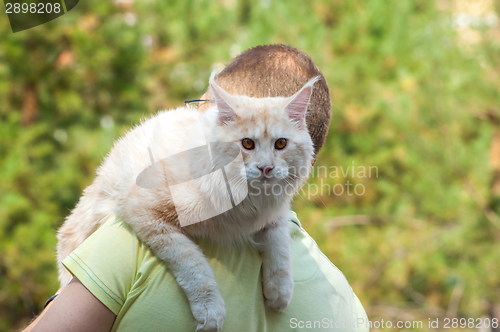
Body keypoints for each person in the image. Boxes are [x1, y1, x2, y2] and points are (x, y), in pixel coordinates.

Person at [24, 45, 369, 332]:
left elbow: (141, 208)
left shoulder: (128, 244)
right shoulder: (348, 306)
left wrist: (66, 297)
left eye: (201, 113)